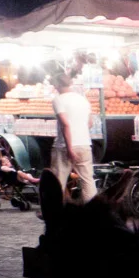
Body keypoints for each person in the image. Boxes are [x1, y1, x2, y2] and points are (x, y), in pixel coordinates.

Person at [50, 74, 96, 202]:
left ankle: (55, 211)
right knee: (87, 180)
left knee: (58, 181)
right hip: (84, 144)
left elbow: (65, 124)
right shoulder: (83, 100)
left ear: (58, 85)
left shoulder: (58, 100)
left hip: (64, 146)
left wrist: (70, 148)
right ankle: (92, 209)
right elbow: (90, 123)